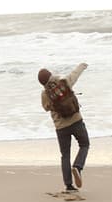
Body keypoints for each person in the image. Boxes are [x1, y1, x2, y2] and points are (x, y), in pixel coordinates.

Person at [38, 63, 90, 192]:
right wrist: (82, 66)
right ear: (51, 75)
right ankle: (78, 167)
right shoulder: (64, 82)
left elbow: (45, 107)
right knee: (84, 144)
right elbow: (74, 75)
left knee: (65, 155)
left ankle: (69, 185)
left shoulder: (45, 94)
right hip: (76, 120)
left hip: (61, 127)